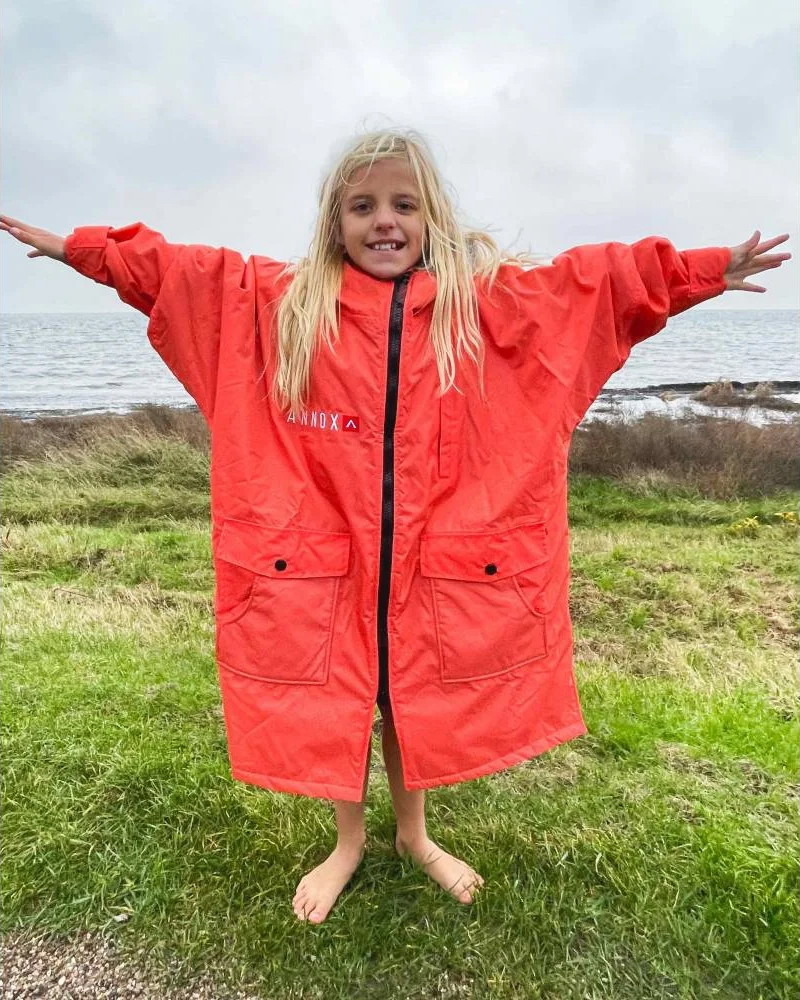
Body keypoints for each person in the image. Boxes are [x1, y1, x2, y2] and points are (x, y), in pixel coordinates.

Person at [0, 129, 790, 926]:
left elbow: (593, 288)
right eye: (363, 206)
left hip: (438, 567)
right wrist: (87, 252)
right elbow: (188, 278)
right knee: (344, 698)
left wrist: (700, 272)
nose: (385, 220)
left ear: (430, 215)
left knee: (410, 698)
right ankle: (346, 843)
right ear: (336, 221)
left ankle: (415, 835)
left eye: (404, 204)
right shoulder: (284, 306)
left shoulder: (488, 308)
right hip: (319, 564)